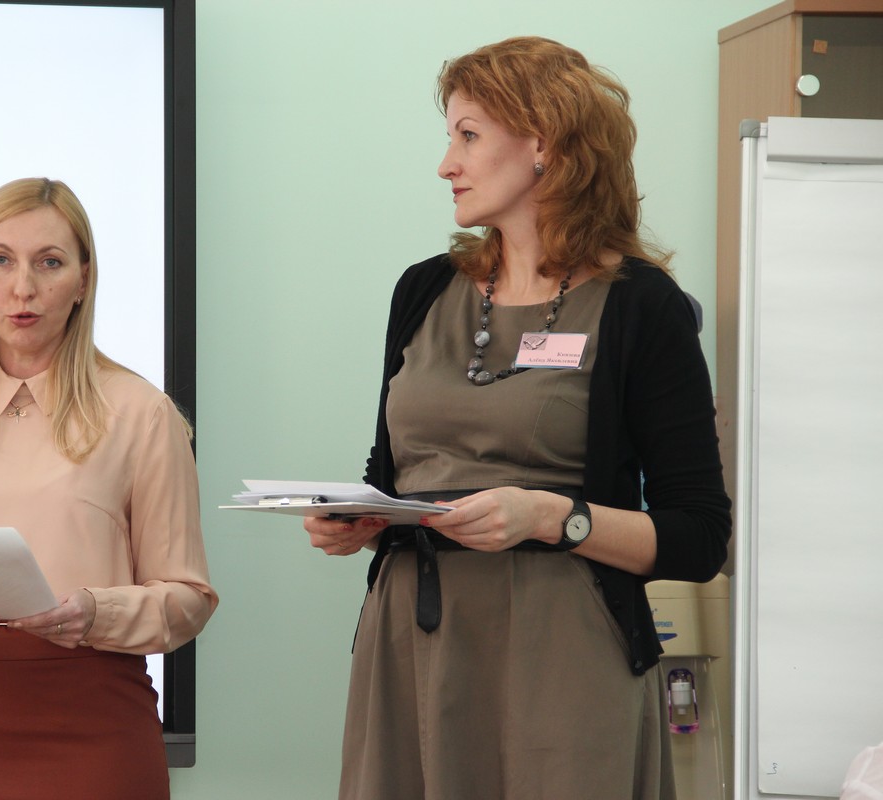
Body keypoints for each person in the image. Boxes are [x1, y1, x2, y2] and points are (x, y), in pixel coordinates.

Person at [304, 37, 730, 799]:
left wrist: (551, 517)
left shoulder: (642, 307)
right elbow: (392, 473)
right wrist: (364, 518)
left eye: (468, 136)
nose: (446, 164)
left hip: (562, 657)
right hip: (411, 646)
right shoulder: (423, 291)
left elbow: (700, 537)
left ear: (544, 144)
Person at [0, 177, 217, 799]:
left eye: (49, 263)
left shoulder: (141, 413)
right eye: (1, 260)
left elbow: (188, 598)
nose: (23, 288)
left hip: (94, 720)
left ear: (82, 280)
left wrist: (96, 613)